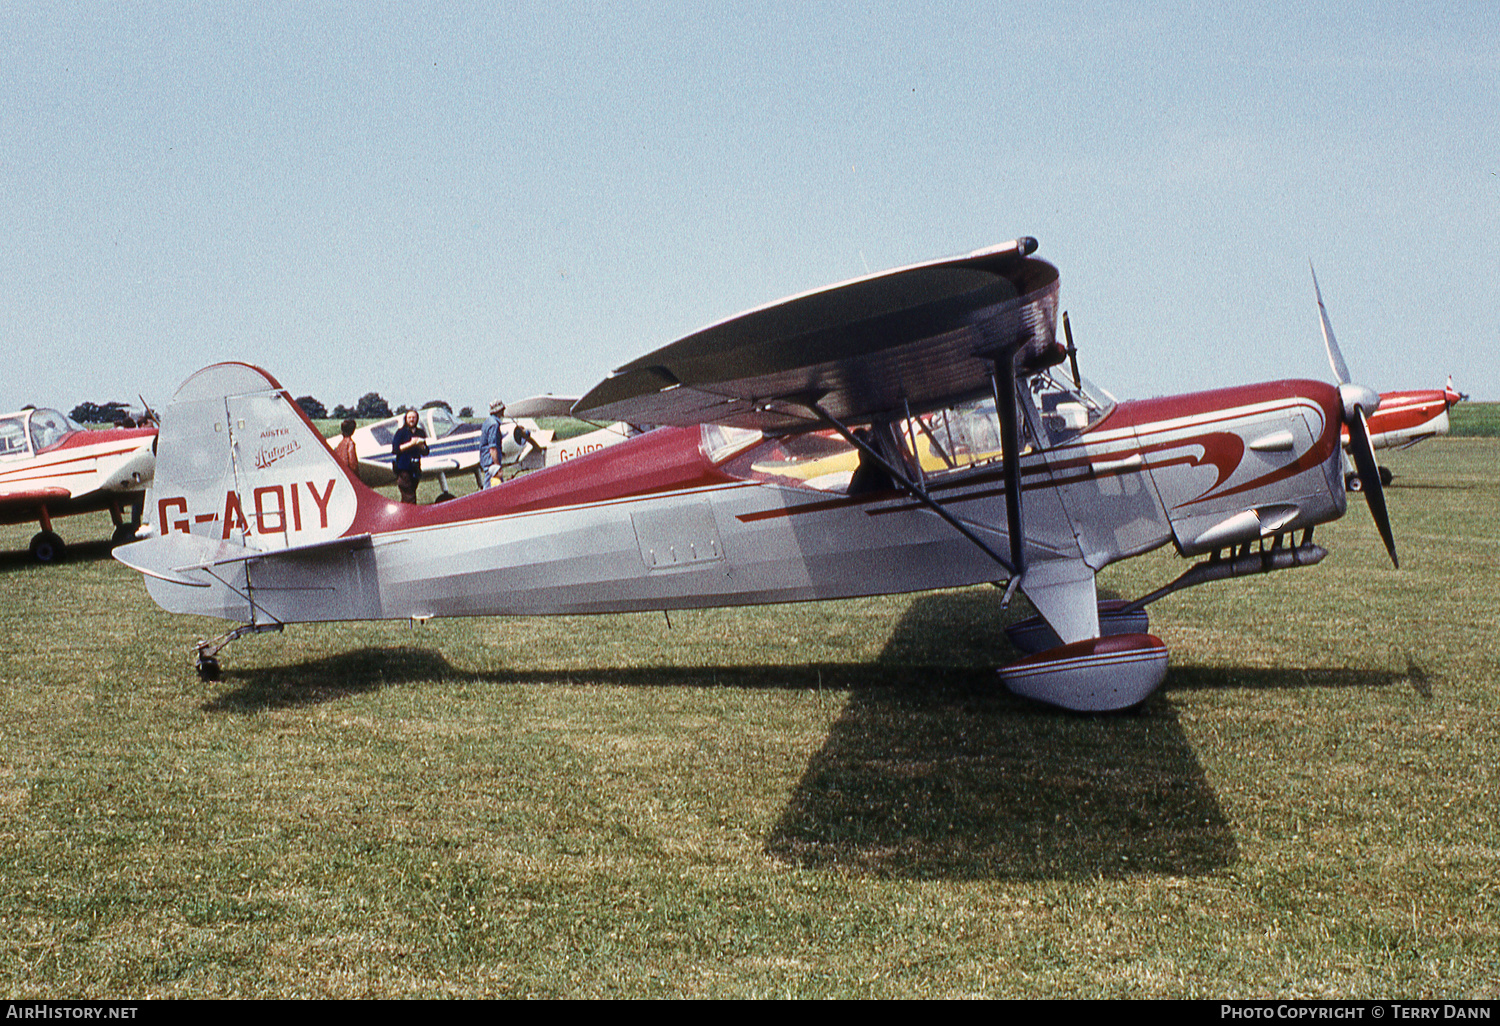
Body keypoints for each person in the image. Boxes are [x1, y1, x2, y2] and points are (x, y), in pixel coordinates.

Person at [391, 409, 428, 504]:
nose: (412, 420)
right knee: (410, 496)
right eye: (409, 418)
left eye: (414, 418)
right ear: (406, 419)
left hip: (415, 469)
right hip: (404, 469)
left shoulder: (420, 433)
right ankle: (412, 517)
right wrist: (411, 444)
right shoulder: (400, 433)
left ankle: (404, 515)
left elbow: (425, 451)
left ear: (417, 419)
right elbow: (395, 450)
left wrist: (420, 445)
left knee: (409, 495)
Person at [479, 399, 505, 488]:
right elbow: (492, 447)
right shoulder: (494, 424)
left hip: (486, 459)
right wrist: (497, 465)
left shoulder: (487, 422)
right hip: (491, 461)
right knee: (491, 487)